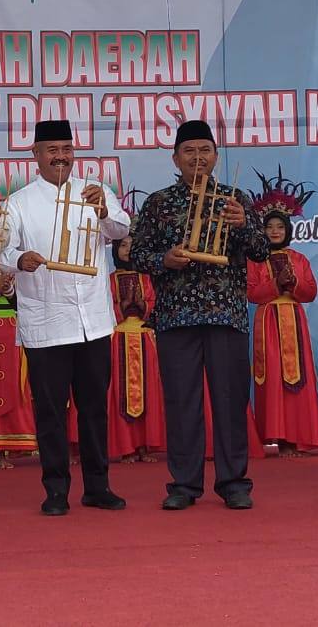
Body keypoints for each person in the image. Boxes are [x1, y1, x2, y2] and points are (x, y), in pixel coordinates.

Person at [128, 120, 268, 511]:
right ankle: (184, 484)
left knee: (229, 400)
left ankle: (234, 482)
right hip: (177, 317)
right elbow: (135, 253)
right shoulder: (159, 202)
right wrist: (163, 259)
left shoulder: (235, 199)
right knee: (182, 401)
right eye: (189, 151)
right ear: (176, 158)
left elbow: (260, 250)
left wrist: (242, 226)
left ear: (216, 157)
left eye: (204, 150)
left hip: (227, 315)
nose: (197, 158)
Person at [0, 119, 130, 516]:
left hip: (93, 320)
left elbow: (121, 230)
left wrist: (104, 211)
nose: (61, 157)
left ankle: (98, 486)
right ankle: (55, 489)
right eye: (52, 150)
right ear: (35, 155)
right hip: (46, 323)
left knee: (93, 408)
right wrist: (20, 259)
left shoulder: (95, 191)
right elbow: (2, 252)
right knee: (51, 411)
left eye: (66, 149)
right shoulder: (19, 202)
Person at [247, 181, 318, 458]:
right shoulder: (255, 260)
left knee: (298, 377)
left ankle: (299, 436)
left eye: (280, 227)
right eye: (269, 228)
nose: (275, 232)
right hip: (268, 320)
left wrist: (293, 285)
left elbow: (311, 292)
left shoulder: (299, 259)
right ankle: (278, 436)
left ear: (288, 230)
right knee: (274, 377)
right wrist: (275, 285)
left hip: (293, 317)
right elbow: (252, 293)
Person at [107, 234, 166, 462]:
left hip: (144, 338)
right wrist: (122, 306)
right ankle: (126, 447)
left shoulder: (147, 278)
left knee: (148, 391)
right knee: (120, 393)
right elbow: (106, 307)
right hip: (118, 338)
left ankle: (144, 446)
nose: (128, 250)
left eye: (133, 246)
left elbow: (155, 303)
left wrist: (143, 305)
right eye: (123, 245)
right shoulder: (110, 280)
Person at [0, 278, 38, 468]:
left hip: (11, 330)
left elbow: (23, 301)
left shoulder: (13, 264)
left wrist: (8, 289)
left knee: (9, 390)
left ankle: (2, 451)